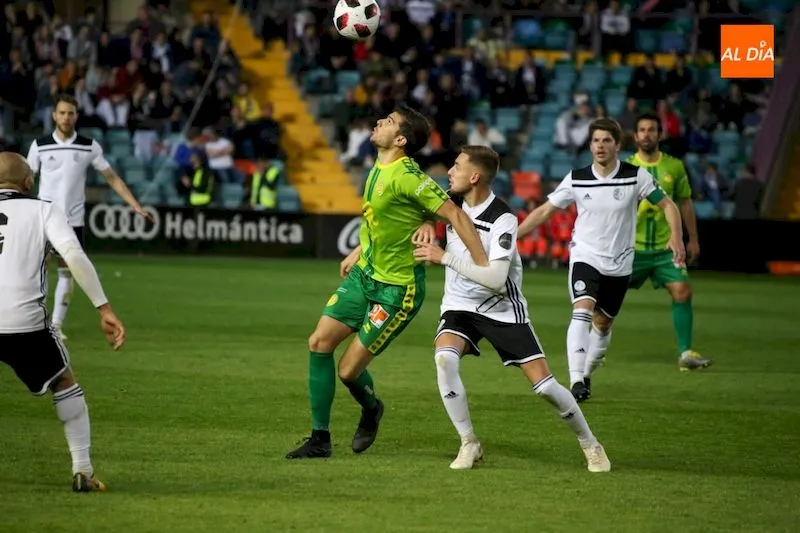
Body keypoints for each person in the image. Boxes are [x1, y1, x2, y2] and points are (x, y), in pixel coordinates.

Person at [285, 105, 489, 459]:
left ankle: (371, 409)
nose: (380, 122)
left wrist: (484, 266)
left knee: (348, 372)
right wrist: (359, 250)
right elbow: (387, 218)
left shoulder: (407, 175)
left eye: (389, 122)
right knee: (318, 342)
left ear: (400, 139)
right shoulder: (379, 166)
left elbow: (454, 212)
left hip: (397, 290)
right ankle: (320, 439)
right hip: (365, 274)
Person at [413, 146, 611, 472]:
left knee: (545, 387)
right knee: (444, 358)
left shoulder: (503, 218)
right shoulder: (451, 202)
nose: (450, 171)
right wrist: (422, 219)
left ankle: (591, 443)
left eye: (457, 166)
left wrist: (443, 256)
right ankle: (469, 442)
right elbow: (418, 206)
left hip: (501, 307)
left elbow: (494, 278)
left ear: (474, 176)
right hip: (460, 305)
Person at [518, 118, 685, 402]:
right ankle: (576, 380)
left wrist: (677, 237)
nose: (600, 146)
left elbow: (668, 204)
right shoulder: (577, 178)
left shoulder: (636, 176)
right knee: (581, 311)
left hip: (619, 263)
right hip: (585, 255)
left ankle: (587, 373)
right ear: (590, 145)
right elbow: (545, 211)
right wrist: (513, 237)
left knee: (603, 323)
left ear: (618, 145)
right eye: (596, 140)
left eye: (607, 141)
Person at [0, 152, 126, 492]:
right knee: (64, 383)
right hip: (22, 323)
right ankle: (83, 472)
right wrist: (104, 309)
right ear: (28, 182)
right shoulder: (42, 208)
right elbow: (73, 255)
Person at [25, 94, 151, 340]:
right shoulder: (39, 145)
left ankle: (56, 325)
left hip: (73, 221)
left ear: (76, 116)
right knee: (36, 270)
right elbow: (27, 180)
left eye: (70, 113)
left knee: (66, 272)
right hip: (43, 218)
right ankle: (36, 322)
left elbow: (111, 177)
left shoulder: (88, 146)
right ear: (54, 116)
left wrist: (135, 204)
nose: (66, 117)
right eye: (62, 113)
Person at [615, 114, 711, 371]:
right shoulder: (623, 168)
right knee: (605, 298)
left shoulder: (675, 167)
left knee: (682, 291)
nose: (646, 135)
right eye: (642, 130)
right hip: (630, 249)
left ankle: (686, 353)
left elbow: (685, 203)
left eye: (652, 130)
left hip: (665, 248)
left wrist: (692, 239)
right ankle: (589, 351)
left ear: (660, 135)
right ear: (635, 136)